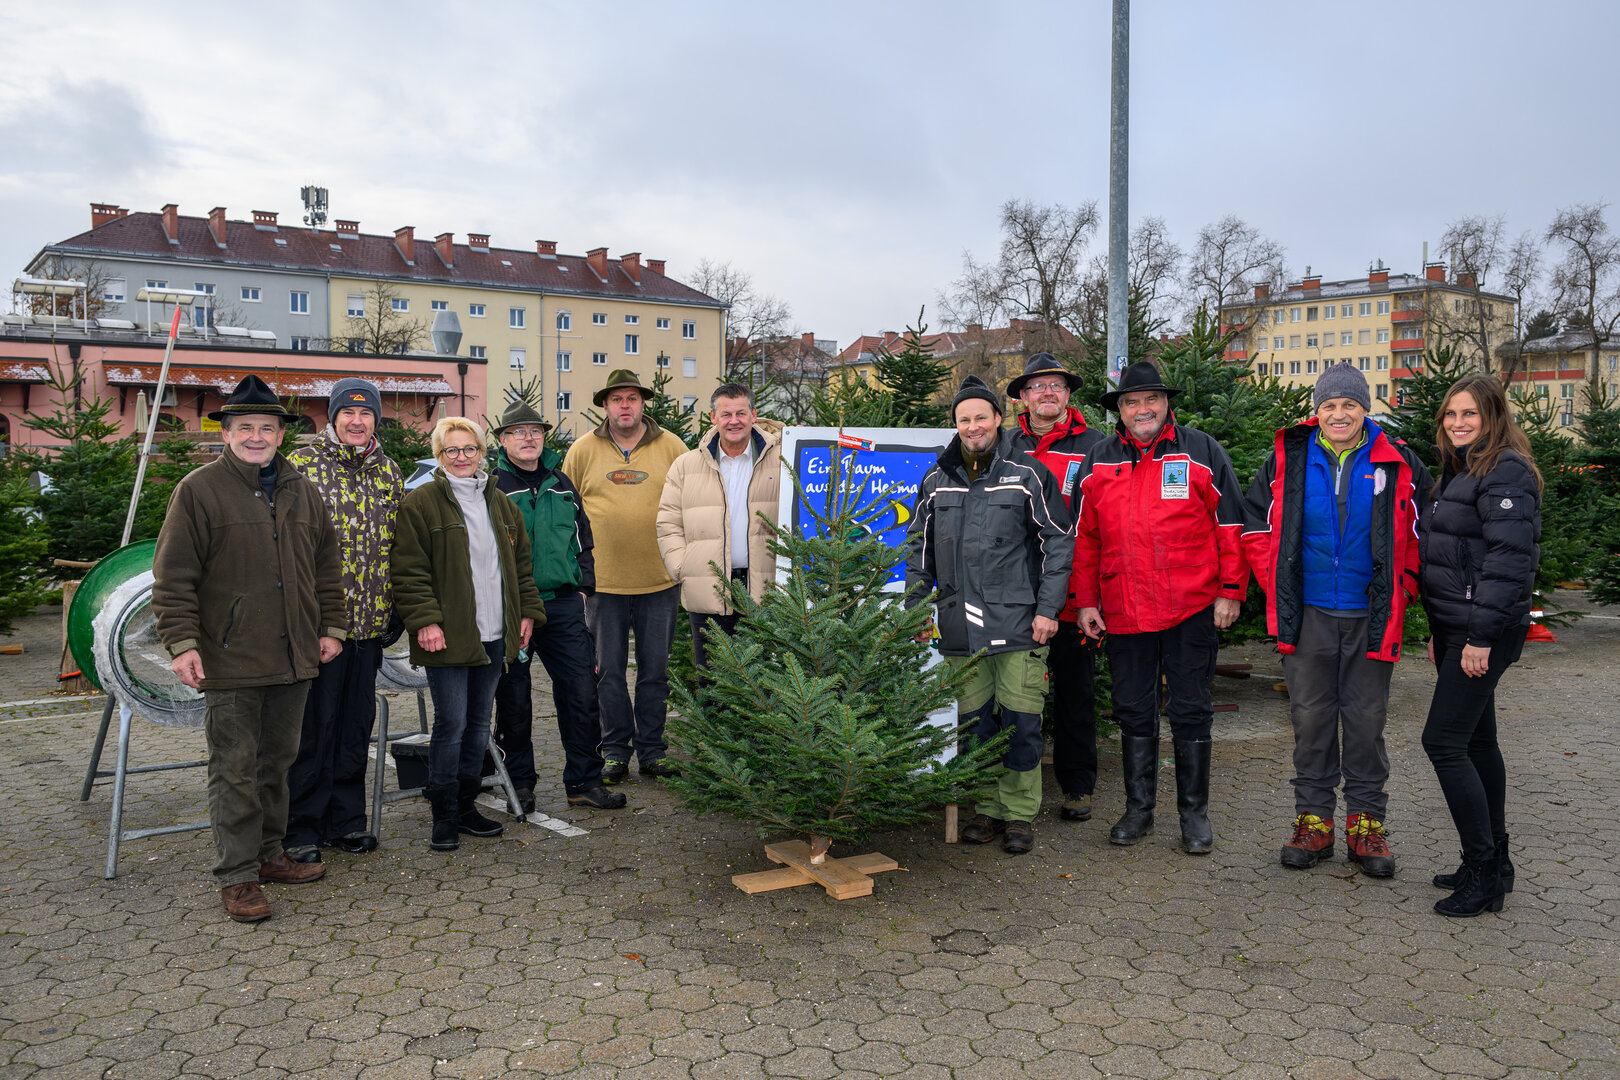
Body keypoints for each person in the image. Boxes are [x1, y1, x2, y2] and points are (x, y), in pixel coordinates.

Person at [151, 375, 346, 923]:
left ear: (280, 434)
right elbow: (173, 577)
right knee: (234, 767)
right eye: (245, 427)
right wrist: (184, 643)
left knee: (278, 761)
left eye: (266, 427)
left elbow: (327, 567)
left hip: (294, 655)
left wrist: (331, 626)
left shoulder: (301, 489)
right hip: (229, 655)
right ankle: (236, 876)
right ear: (228, 433)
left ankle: (268, 855)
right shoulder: (198, 490)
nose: (256, 436)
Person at [1242, 363, 1431, 877]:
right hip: (1308, 616)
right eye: (1329, 405)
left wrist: (1406, 587)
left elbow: (1422, 536)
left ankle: (1367, 825)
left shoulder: (1397, 462)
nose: (1339, 414)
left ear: (1364, 409)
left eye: (1349, 405)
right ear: (1316, 410)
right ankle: (1314, 822)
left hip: (1370, 616)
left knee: (1366, 722)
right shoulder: (1290, 458)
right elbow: (1256, 526)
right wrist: (1273, 581)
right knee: (1310, 720)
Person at [1072, 360, 1248, 855]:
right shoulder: (1100, 461)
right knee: (1133, 710)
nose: (1142, 409)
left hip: (1190, 606)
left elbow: (1230, 525)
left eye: (1151, 399)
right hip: (1124, 608)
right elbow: (1085, 539)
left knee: (1191, 710)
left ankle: (1194, 816)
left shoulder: (1201, 451)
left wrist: (1230, 590)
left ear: (1166, 404)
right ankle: (1138, 810)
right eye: (1131, 402)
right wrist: (1085, 600)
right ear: (1120, 411)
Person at [905, 375, 1073, 855]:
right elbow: (919, 554)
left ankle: (1019, 815)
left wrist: (1048, 610)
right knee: (973, 724)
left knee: (1021, 723)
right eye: (964, 419)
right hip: (959, 629)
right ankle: (985, 808)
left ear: (999, 419)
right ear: (955, 424)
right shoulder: (937, 482)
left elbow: (1058, 545)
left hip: (1020, 626)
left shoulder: (1029, 475)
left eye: (981, 416)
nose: (973, 426)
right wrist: (916, 611)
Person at [391, 417, 546, 850]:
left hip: (496, 631)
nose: (461, 458)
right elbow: (408, 571)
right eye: (451, 451)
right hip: (448, 635)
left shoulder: (500, 504)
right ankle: (443, 815)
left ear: (482, 452)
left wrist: (526, 613)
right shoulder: (421, 503)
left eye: (469, 449)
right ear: (439, 458)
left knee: (479, 726)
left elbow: (521, 570)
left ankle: (466, 806)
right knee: (452, 724)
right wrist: (424, 621)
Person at [1418, 374, 1541, 917]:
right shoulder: (1462, 469)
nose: (1458, 423)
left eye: (1470, 414)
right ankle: (1496, 864)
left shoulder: (1504, 470)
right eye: (1451, 415)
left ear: (1493, 417)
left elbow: (1508, 564)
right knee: (1476, 743)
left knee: (1443, 742)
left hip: (1482, 632)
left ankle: (1483, 870)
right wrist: (1440, 631)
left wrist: (1478, 639)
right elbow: (1453, 558)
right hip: (1458, 629)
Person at [283, 378, 405, 861]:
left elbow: (399, 545)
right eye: (348, 414)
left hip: (371, 625)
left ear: (376, 419)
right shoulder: (300, 467)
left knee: (357, 725)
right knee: (315, 727)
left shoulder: (388, 471)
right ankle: (301, 828)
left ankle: (347, 821)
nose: (357, 422)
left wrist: (396, 608)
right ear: (332, 418)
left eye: (366, 414)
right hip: (318, 627)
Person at [488, 401, 626, 814]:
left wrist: (583, 590)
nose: (528, 438)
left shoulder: (561, 482)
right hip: (513, 610)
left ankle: (584, 781)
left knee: (582, 692)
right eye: (518, 432)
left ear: (543, 437)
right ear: (503, 440)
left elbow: (583, 541)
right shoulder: (491, 486)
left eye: (535, 431)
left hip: (563, 606)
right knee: (514, 698)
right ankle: (521, 785)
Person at [561, 370, 687, 783]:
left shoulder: (672, 447)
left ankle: (652, 751)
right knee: (608, 673)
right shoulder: (582, 450)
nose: (625, 406)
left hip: (660, 580)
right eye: (617, 399)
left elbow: (692, 501)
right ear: (604, 405)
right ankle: (615, 752)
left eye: (632, 398)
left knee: (655, 672)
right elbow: (566, 513)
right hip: (604, 585)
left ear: (643, 403)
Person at [1004, 352, 1105, 825]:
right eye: (1038, 386)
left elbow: (1098, 527)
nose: (1048, 393)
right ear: (1023, 397)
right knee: (1011, 696)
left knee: (1074, 693)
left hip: (1070, 595)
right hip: (1011, 596)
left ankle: (1077, 785)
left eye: (1057, 386)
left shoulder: (1096, 447)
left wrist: (1087, 596)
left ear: (1068, 395)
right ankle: (1002, 789)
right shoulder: (1003, 445)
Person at [657, 383, 783, 675]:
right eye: (726, 414)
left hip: (765, 589)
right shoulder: (686, 466)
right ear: (713, 417)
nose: (734, 421)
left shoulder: (782, 460)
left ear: (753, 414)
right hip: (708, 589)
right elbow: (668, 523)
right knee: (712, 681)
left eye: (741, 413)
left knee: (763, 682)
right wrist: (683, 568)